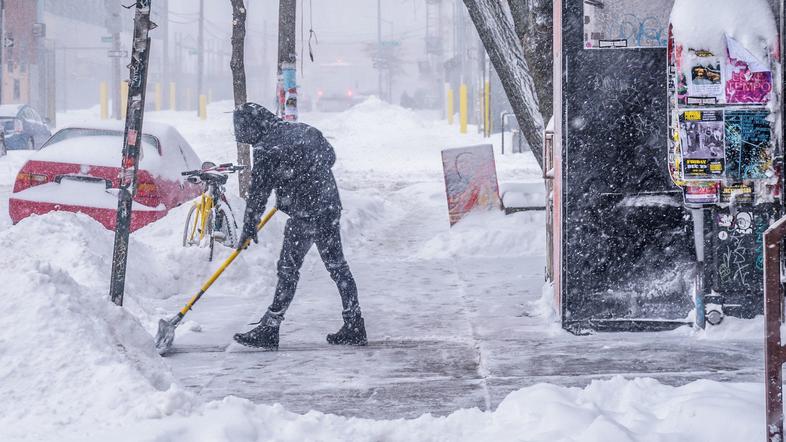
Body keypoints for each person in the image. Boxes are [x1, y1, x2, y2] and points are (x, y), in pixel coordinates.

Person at [231, 102, 366, 350]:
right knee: (337, 266)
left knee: (288, 269)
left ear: (253, 127)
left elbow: (259, 192)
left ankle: (270, 328)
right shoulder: (306, 130)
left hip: (305, 214)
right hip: (328, 207)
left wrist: (250, 223)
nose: (246, 140)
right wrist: (301, 176)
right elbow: (329, 157)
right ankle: (354, 323)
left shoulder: (266, 148)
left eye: (244, 133)